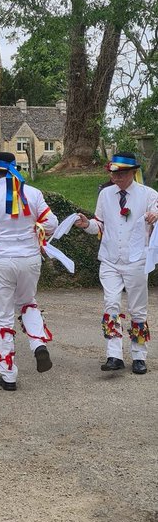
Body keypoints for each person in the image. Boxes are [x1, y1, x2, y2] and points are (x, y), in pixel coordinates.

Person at [0, 151, 58, 390]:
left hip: (1, 261)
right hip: (29, 259)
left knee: (3, 313)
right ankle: (38, 344)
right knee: (28, 302)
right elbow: (51, 224)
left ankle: (8, 376)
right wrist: (35, 231)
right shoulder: (34, 193)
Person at [74, 152, 158, 374]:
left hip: (136, 260)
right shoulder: (105, 195)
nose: (116, 178)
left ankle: (139, 356)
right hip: (110, 259)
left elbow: (157, 212)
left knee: (137, 309)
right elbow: (99, 225)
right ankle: (114, 355)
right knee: (111, 304)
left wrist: (154, 215)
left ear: (133, 173)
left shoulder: (148, 194)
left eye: (121, 174)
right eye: (113, 173)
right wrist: (86, 224)